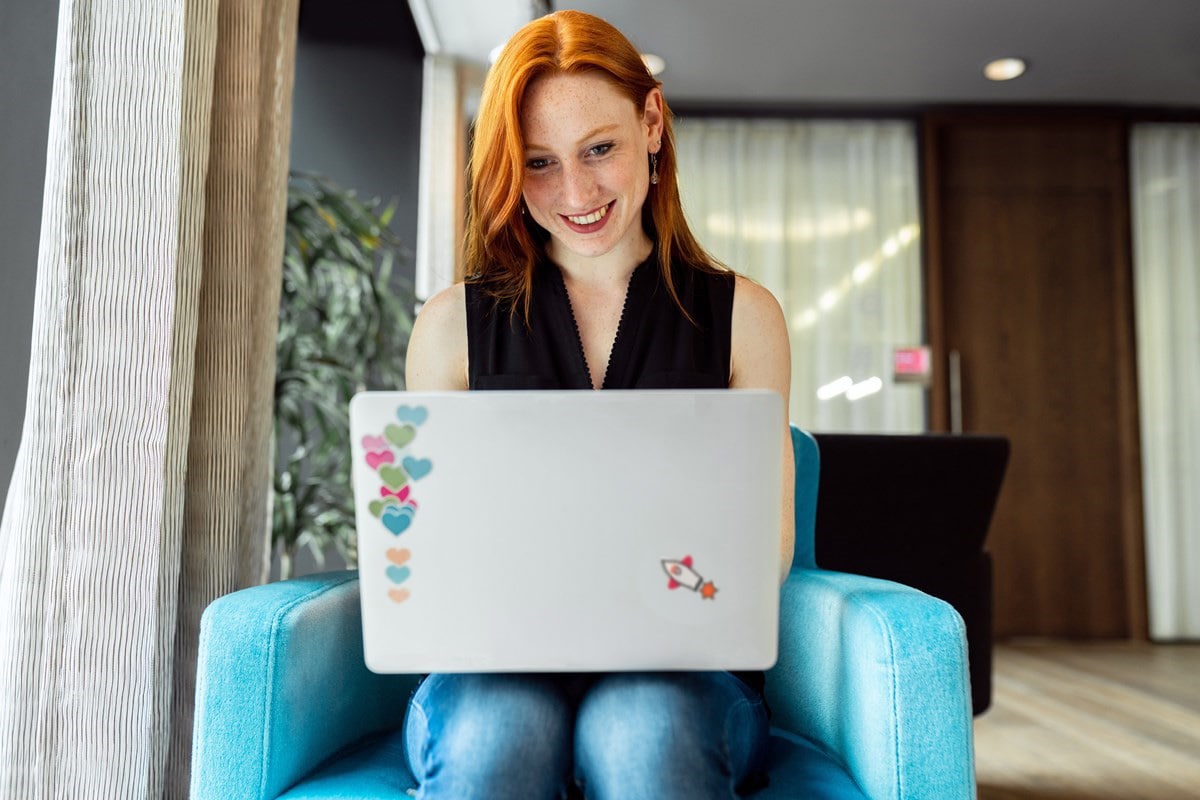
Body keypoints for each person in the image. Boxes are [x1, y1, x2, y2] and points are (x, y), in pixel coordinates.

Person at [403, 9, 794, 799]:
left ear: (652, 122)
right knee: (495, 735)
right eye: (540, 163)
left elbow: (764, 549)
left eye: (600, 150)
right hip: (495, 671)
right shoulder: (451, 328)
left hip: (686, 670)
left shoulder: (743, 317)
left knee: (643, 729)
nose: (574, 193)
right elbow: (431, 550)